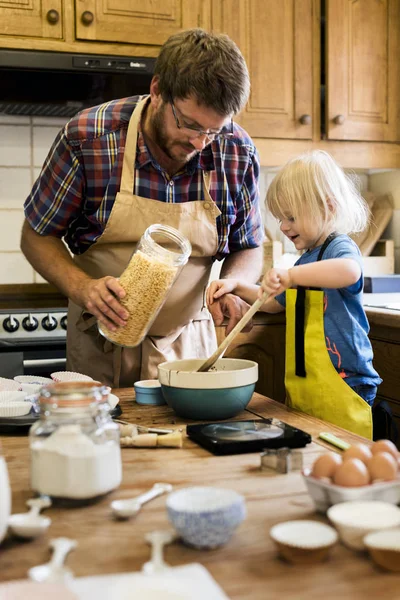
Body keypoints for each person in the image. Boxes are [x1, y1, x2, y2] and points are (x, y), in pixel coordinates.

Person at [21, 29, 264, 387]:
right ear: (157, 91)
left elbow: (249, 244)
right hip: (98, 344)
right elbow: (35, 236)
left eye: (214, 131)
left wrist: (234, 284)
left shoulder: (236, 151)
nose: (200, 142)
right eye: (190, 124)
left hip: (188, 349)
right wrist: (82, 287)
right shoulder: (91, 139)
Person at [207, 150, 382, 439]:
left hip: (347, 383)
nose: (284, 227)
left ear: (328, 207)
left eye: (291, 216)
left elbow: (350, 271)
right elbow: (275, 303)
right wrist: (236, 286)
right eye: (280, 218)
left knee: (345, 457)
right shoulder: (304, 260)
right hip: (307, 383)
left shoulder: (339, 248)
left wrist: (291, 276)